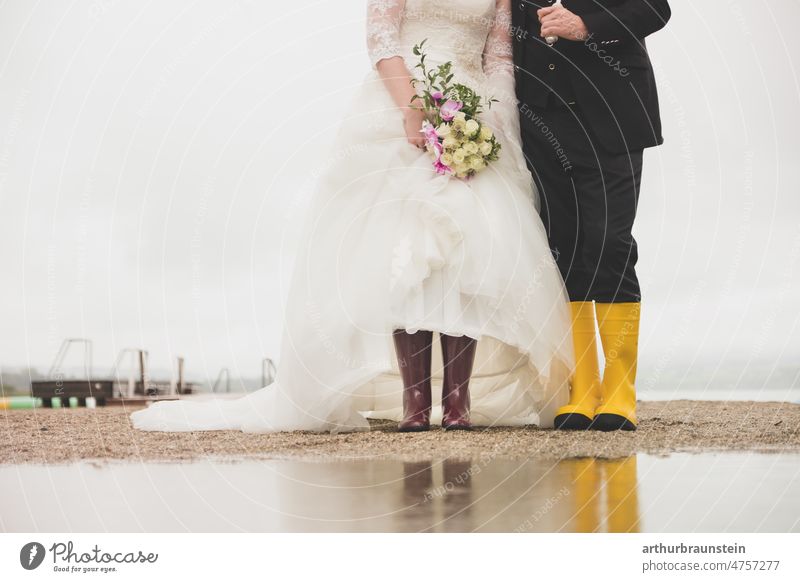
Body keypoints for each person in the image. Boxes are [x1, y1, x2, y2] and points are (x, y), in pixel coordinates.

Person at [131, 0, 573, 434]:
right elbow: (382, 39)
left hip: (471, 112)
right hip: (404, 105)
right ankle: (414, 399)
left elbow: (497, 59)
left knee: (468, 249)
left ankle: (458, 400)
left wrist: (493, 124)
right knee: (407, 246)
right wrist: (412, 108)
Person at [511, 0, 671, 430]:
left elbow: (656, 9)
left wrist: (585, 26)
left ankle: (619, 393)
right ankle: (581, 390)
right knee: (563, 248)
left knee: (609, 242)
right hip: (539, 119)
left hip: (613, 113)